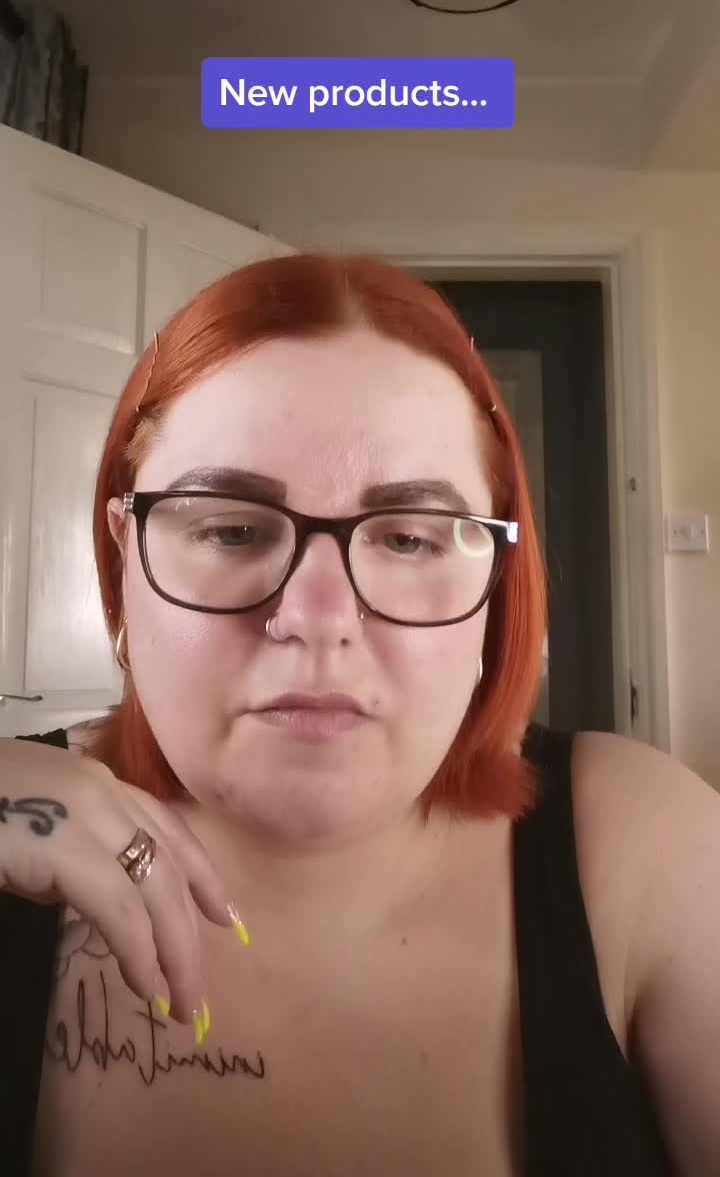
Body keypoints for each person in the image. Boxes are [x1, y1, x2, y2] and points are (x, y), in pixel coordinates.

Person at [0, 253, 716, 1177]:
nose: (318, 619)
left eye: (410, 539)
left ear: (498, 583)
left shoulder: (645, 846)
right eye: (231, 528)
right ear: (123, 557)